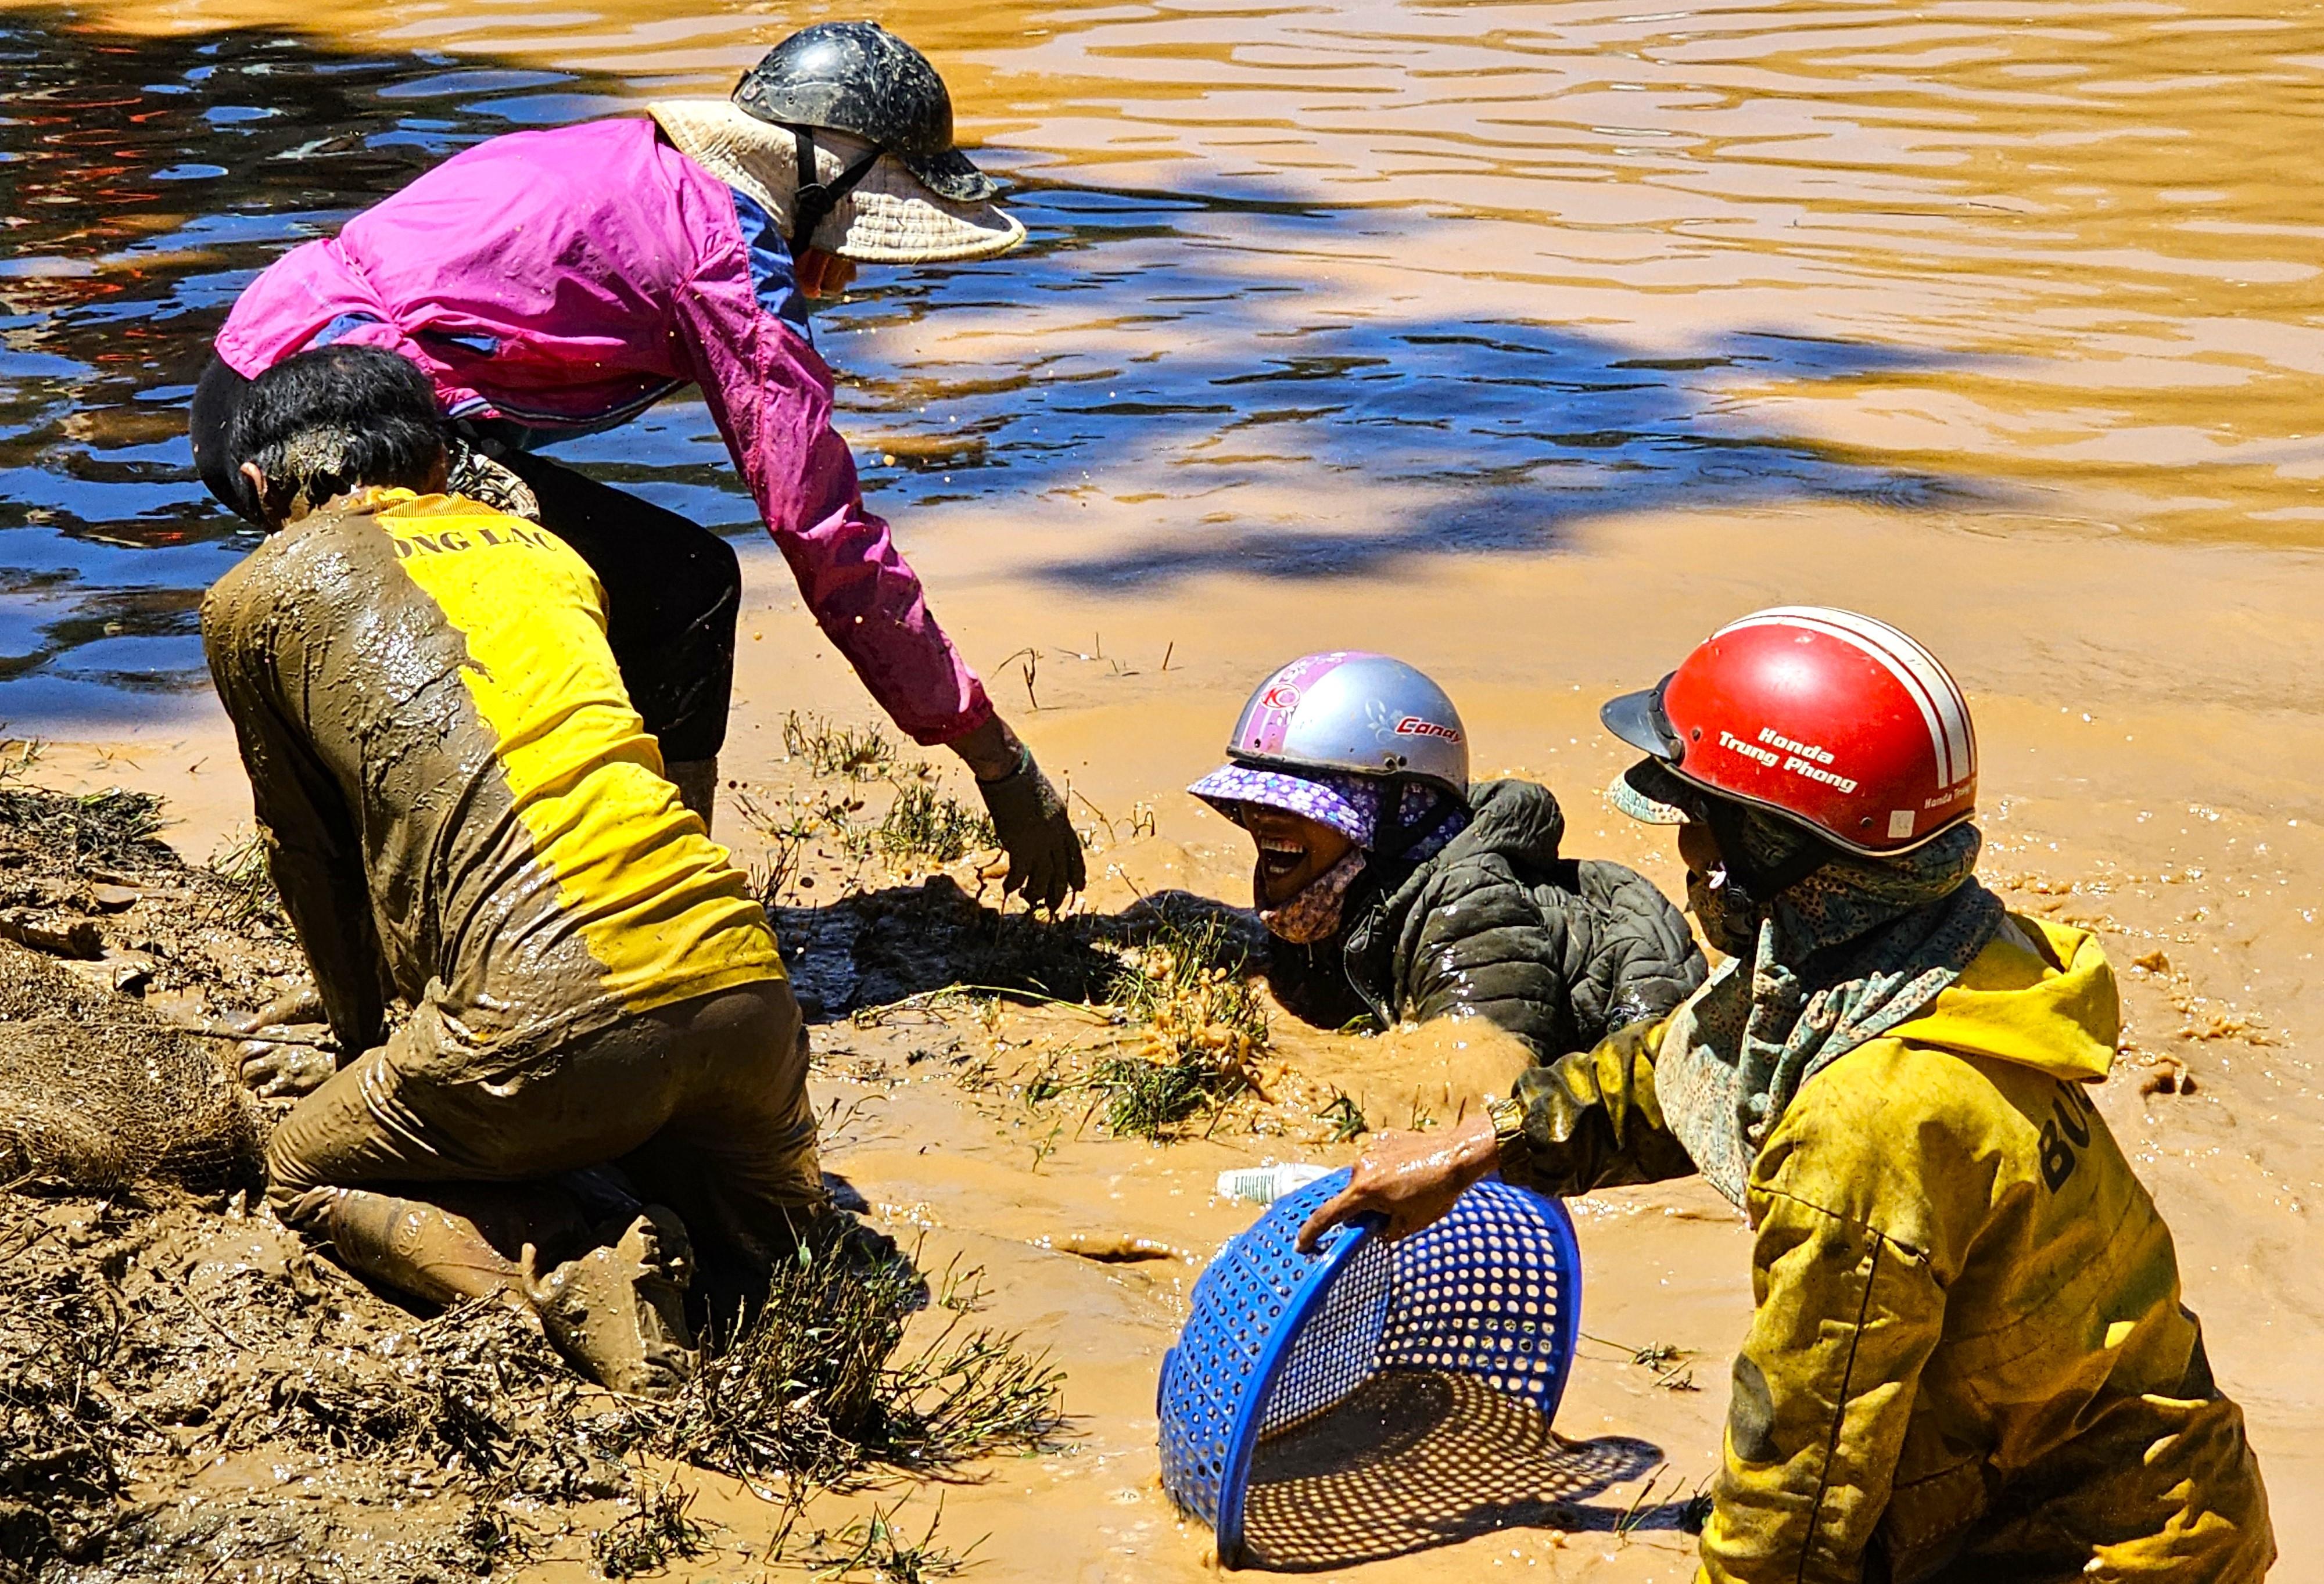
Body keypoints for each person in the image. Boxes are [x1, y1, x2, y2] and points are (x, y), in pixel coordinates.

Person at [1300, 609, 2273, 1581]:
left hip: (2105, 1553)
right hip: (2123, 1477)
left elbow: (1800, 1491)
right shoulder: (1929, 961)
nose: (1681, 854)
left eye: (1694, 824)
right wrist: (1489, 1142)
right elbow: (1680, 1066)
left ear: (1763, 850)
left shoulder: (1864, 1129)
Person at [187, 21, 1082, 908]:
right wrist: (995, 757)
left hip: (245, 376)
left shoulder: (630, 159)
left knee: (602, 585)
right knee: (685, 586)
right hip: (333, 426)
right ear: (822, 185)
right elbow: (825, 536)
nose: (847, 274)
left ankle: (585, 871)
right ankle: (666, 895)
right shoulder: (733, 267)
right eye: (853, 236)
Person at [203, 344, 827, 1397]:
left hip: (547, 1029)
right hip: (750, 1007)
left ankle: (565, 1283)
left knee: (303, 1167)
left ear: (262, 488)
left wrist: (361, 1052)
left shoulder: (253, 597)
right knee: (779, 1271)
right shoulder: (551, 555)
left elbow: (309, 857)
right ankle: (666, 1223)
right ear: (440, 463)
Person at [1188, 651, 1705, 1054]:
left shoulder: (1470, 908)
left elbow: (1471, 1083)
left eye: (1300, 799)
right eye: (1256, 797)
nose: (1262, 816)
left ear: (1396, 813)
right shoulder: (1330, 895)